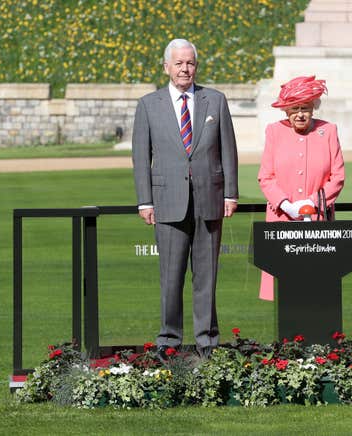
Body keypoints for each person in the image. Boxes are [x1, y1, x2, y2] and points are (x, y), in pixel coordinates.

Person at [132, 38, 238, 359]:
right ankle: (169, 341)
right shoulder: (149, 105)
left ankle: (207, 342)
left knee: (206, 277)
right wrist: (144, 201)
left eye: (190, 63)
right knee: (171, 277)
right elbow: (141, 157)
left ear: (197, 66)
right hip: (167, 202)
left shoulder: (215, 101)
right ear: (166, 67)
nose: (185, 69)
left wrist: (231, 193)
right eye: (178, 63)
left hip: (210, 200)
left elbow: (228, 151)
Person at [257, 75, 345, 301]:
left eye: (305, 108)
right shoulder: (274, 132)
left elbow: (338, 176)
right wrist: (286, 205)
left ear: (313, 108)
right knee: (285, 288)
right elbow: (265, 176)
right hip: (282, 219)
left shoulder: (329, 131)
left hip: (317, 220)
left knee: (316, 288)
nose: (300, 114)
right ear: (286, 110)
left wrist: (312, 203)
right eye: (294, 108)